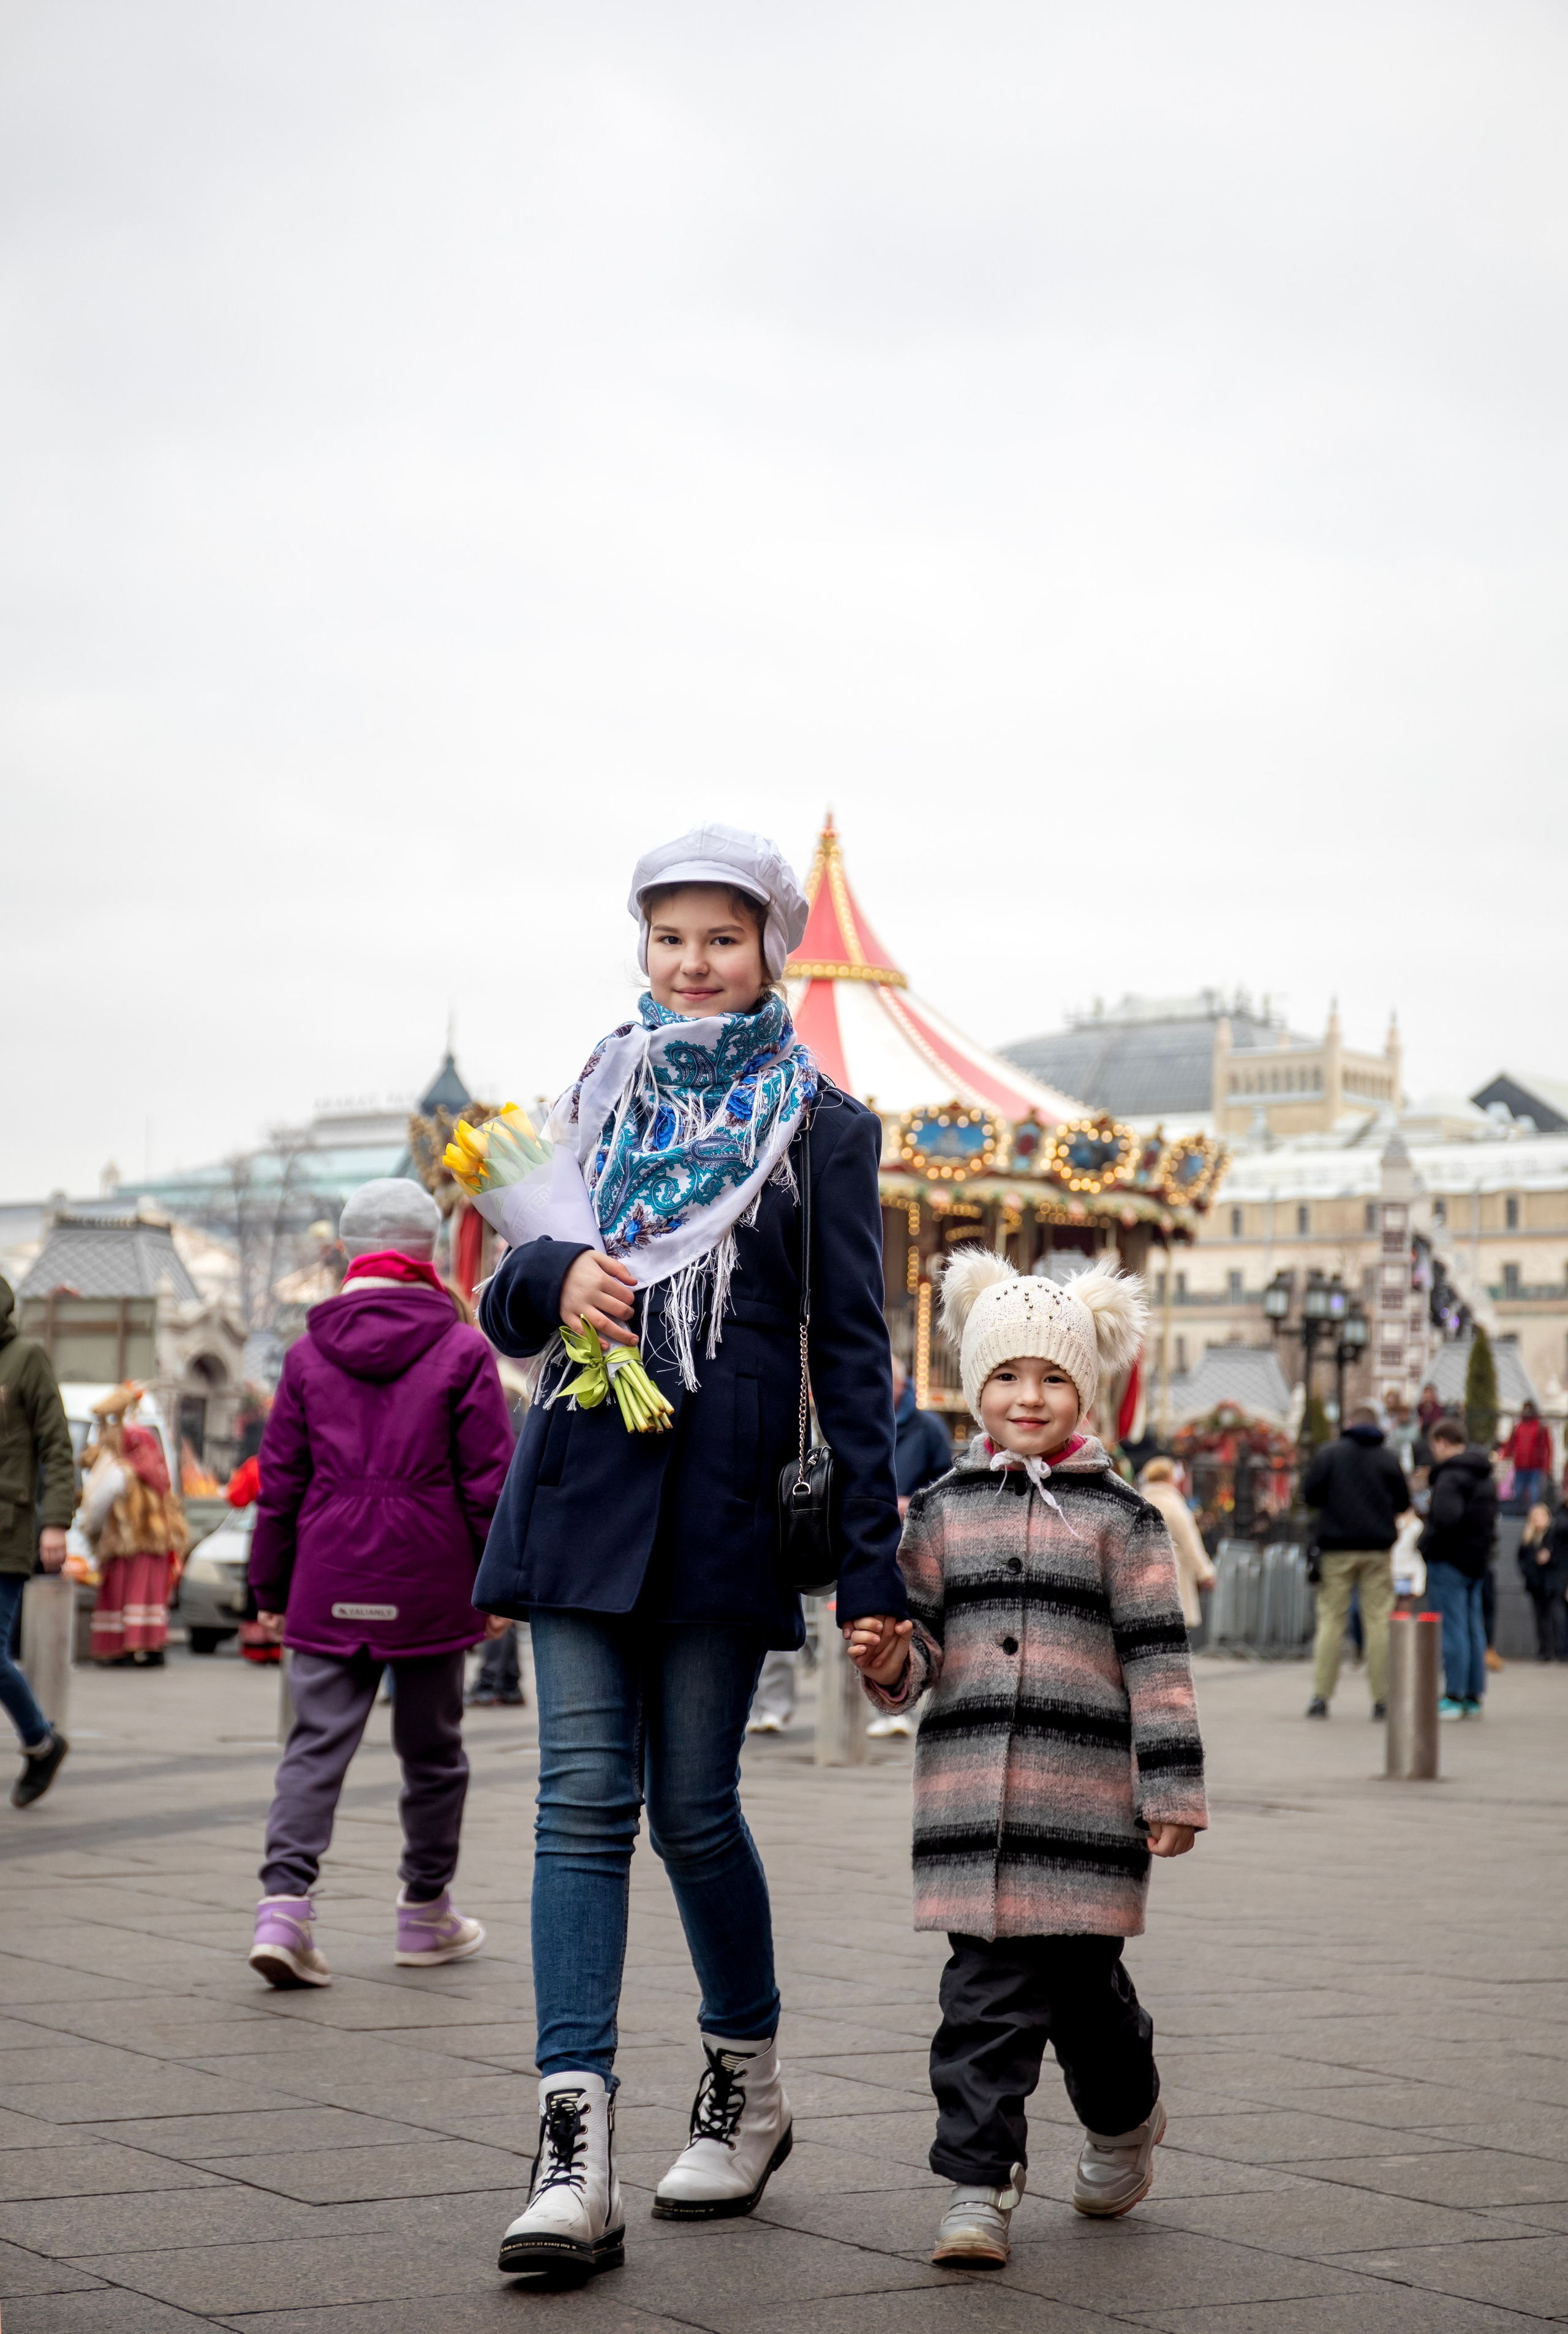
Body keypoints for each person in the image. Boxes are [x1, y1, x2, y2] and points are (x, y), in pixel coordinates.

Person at [472, 825, 906, 2280]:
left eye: (721, 938)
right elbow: (500, 1300)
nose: (692, 962)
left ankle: (743, 2088)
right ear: (641, 946)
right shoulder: (592, 1097)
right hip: (586, 1484)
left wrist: (871, 1574)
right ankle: (570, 2147)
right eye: (669, 937)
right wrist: (553, 1273)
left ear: (769, 948)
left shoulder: (821, 1129)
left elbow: (853, 1359)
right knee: (578, 1803)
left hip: (721, 1510)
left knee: (696, 1814)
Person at [850, 1249, 1205, 2271]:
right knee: (983, 2007)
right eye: (1007, 1376)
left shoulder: (1123, 1520)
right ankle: (978, 2185)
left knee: (1088, 2006)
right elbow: (916, 1651)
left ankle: (1126, 2118)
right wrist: (888, 1660)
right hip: (973, 1821)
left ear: (1084, 1389)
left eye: (1052, 1377)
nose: (1029, 1397)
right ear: (975, 1388)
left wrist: (1171, 1786)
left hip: (1088, 1816)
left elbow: (1159, 1663)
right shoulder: (940, 1514)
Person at [247, 1177, 513, 1987]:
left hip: (328, 1572)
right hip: (430, 1575)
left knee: (312, 1745)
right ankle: (424, 1914)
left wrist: (270, 1588)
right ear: (427, 1255)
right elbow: (487, 1484)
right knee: (433, 1753)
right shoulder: (464, 1350)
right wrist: (495, 1582)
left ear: (351, 1251)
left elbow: (279, 1483)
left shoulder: (305, 1352)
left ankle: (283, 1910)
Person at [0, 1275, 75, 1807]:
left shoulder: (25, 1358)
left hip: (6, 1530)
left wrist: (55, 1522)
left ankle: (41, 1742)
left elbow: (57, 1446)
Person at [1300, 1405, 1411, 1722]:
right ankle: (1382, 1700)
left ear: (1349, 1424)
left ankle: (1320, 1697)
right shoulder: (1388, 1458)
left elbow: (1309, 1495)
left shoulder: (1329, 1454)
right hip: (1377, 1551)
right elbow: (1403, 1502)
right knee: (1378, 1621)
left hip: (1336, 1550)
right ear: (1377, 1426)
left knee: (1331, 1621)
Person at [81, 1387, 187, 1666]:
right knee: (149, 1597)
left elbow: (98, 1506)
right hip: (157, 1543)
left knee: (122, 1597)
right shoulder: (158, 1473)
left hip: (126, 1544)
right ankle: (151, 1645)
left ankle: (122, 1646)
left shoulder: (120, 1471)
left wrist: (92, 1533)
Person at [1420, 1417, 1498, 1719]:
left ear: (1440, 1442)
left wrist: (1425, 1543)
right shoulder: (1485, 1477)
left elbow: (1446, 1519)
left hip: (1449, 1561)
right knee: (1472, 1627)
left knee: (1452, 1629)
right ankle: (1473, 1696)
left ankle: (1453, 1694)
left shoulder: (1450, 1477)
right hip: (1477, 1560)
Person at [1136, 1458, 1216, 1636]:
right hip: (1172, 1571)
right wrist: (1205, 1572)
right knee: (1172, 1629)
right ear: (1170, 1477)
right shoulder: (1174, 1504)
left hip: (1143, 1572)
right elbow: (1190, 1542)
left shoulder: (1138, 1500)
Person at [1517, 1503, 1568, 1663]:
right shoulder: (1528, 1540)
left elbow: (1561, 1559)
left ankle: (1560, 1651)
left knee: (1556, 1618)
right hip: (1536, 1586)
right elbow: (1522, 1561)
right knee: (1541, 1619)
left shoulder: (1554, 1535)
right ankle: (1545, 1651)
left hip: (1553, 1584)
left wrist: (1549, 1557)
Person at [1500, 1400, 1553, 1514]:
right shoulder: (1518, 1426)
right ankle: (1517, 1515)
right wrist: (1504, 1456)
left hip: (1536, 1466)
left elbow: (1548, 1447)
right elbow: (1511, 1443)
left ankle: (1533, 1516)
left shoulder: (1540, 1426)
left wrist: (1547, 1466)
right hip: (1520, 1466)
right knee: (1517, 1493)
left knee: (1534, 1494)